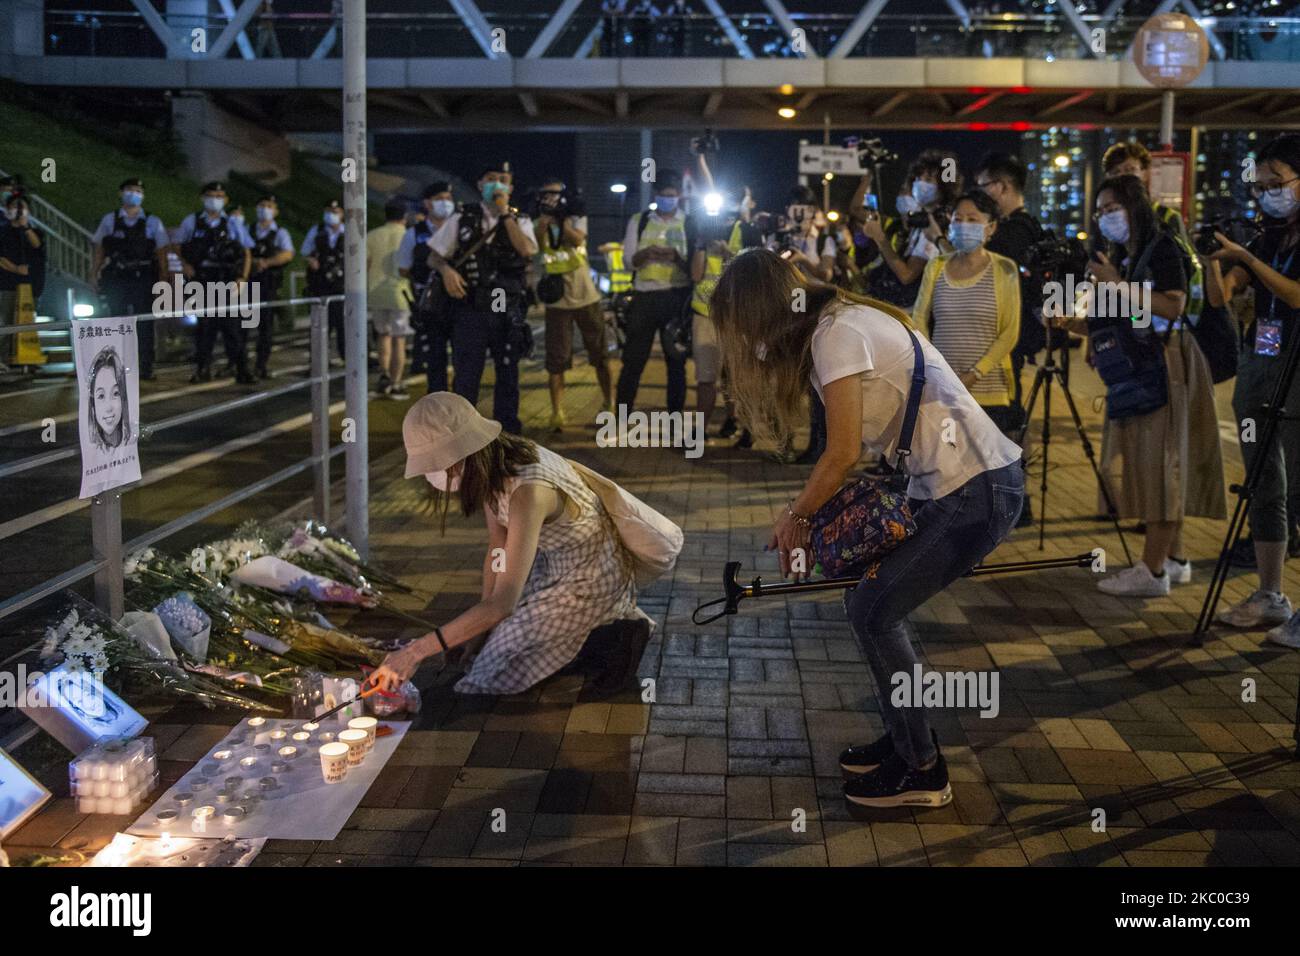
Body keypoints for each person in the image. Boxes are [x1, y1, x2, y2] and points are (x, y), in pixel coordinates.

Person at [710, 249, 1023, 807]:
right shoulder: (837, 324)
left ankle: (922, 769)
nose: (739, 343)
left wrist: (797, 516)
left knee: (874, 610)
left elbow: (843, 452)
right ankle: (907, 740)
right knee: (870, 605)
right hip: (958, 483)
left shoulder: (837, 334)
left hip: (976, 487)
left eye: (738, 326)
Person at [365, 392, 653, 696]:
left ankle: (615, 634)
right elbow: (498, 546)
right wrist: (481, 623)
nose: (432, 475)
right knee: (488, 645)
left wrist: (416, 651)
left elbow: (504, 603)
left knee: (489, 675)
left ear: (460, 456)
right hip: (558, 566)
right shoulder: (493, 466)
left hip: (592, 579)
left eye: (436, 465)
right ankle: (584, 637)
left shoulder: (527, 492)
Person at [1049, 175, 1225, 596]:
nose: (1105, 217)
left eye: (1113, 208)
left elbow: (1172, 304)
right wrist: (1068, 322)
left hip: (1167, 367)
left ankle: (1152, 571)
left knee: (1161, 464)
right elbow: (1119, 319)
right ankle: (1171, 560)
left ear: (1135, 206)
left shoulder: (1162, 247)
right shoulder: (1125, 257)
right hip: (1143, 366)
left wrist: (1113, 282)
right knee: (1152, 465)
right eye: (1101, 210)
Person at [1207, 133, 1300, 645]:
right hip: (1259, 362)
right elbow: (1222, 297)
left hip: (1296, 366)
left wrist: (1248, 255)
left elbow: (1294, 294)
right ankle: (1270, 595)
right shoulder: (1268, 238)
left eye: (1277, 184)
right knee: (1264, 484)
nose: (1267, 194)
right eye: (1260, 186)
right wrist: (1213, 258)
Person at [429, 165, 537, 435]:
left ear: (511, 188)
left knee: (507, 370)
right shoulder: (463, 217)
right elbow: (434, 255)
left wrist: (504, 215)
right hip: (470, 304)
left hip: (506, 302)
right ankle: (463, 433)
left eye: (503, 181)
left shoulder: (520, 219)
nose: (497, 185)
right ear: (479, 185)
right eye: (490, 180)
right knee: (466, 372)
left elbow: (526, 250)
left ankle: (508, 431)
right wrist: (446, 271)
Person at [911, 191, 1021, 433]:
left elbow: (1009, 332)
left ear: (990, 227)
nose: (963, 225)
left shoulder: (1004, 268)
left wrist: (974, 374)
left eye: (972, 219)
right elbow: (919, 319)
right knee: (945, 465)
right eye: (957, 219)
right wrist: (935, 369)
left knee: (986, 466)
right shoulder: (936, 265)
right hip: (942, 387)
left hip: (990, 390)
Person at [616, 170, 695, 416]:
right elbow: (628, 261)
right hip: (644, 298)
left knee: (676, 362)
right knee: (633, 361)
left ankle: (675, 418)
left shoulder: (689, 223)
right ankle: (621, 415)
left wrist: (675, 257)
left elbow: (695, 266)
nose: (666, 199)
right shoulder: (639, 220)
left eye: (671, 195)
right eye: (662, 195)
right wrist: (646, 253)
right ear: (655, 194)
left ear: (679, 196)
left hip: (676, 298)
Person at [535, 177, 611, 432]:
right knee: (556, 360)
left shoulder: (576, 217)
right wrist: (545, 224)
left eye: (555, 194)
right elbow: (535, 245)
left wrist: (560, 221)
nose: (551, 198)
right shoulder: (538, 222)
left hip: (586, 296)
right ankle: (557, 412)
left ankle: (609, 402)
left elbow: (578, 239)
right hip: (557, 301)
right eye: (546, 194)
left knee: (599, 354)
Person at [861, 149, 961, 310]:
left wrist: (879, 237)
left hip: (913, 314)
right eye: (917, 178)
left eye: (928, 179)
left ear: (944, 186)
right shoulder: (921, 221)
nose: (919, 183)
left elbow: (907, 276)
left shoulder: (935, 224)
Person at [91, 178, 169, 381]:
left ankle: (145, 366)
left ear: (142, 195)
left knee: (144, 323)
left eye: (137, 191)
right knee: (116, 320)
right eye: (129, 190)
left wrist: (163, 277)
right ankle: (115, 365)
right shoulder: (110, 219)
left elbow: (161, 251)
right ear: (121, 193)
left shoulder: (152, 221)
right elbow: (100, 248)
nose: (133, 194)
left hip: (143, 277)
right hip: (117, 277)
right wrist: (94, 273)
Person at [176, 181, 252, 383]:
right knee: (204, 328)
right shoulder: (192, 221)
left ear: (226, 200)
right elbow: (177, 245)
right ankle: (202, 369)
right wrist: (185, 265)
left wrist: (242, 277)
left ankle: (242, 369)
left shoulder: (233, 224)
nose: (215, 200)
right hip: (202, 280)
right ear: (203, 198)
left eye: (220, 196)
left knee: (232, 328)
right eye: (211, 195)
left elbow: (246, 252)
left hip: (227, 280)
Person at [401, 182, 456, 390]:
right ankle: (437, 403)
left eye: (448, 199)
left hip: (460, 301)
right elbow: (403, 268)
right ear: (427, 203)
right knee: (435, 357)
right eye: (440, 199)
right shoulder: (414, 234)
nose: (445, 203)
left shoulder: (462, 229)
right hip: (431, 304)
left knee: (464, 357)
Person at [367, 199, 414, 400]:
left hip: (375, 293)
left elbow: (365, 264)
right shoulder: (407, 236)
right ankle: (396, 382)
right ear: (404, 216)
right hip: (400, 294)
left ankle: (383, 374)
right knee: (399, 340)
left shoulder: (371, 236)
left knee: (382, 335)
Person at [243, 194, 294, 379]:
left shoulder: (280, 233)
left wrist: (267, 262)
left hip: (268, 284)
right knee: (245, 325)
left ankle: (260, 364)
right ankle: (241, 364)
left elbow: (288, 254)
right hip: (248, 284)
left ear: (276, 211)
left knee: (265, 327)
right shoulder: (248, 229)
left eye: (269, 206)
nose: (265, 209)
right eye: (262, 205)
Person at [302, 199, 347, 365]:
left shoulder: (349, 231)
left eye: (335, 212)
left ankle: (347, 358)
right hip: (320, 285)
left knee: (343, 325)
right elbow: (306, 252)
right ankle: (318, 361)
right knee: (319, 326)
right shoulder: (317, 230)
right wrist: (311, 260)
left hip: (341, 286)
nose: (332, 215)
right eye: (329, 211)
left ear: (342, 213)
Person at [87, 346, 130, 451]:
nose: (108, 407)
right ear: (93, 403)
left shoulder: (129, 442)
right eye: (101, 396)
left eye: (116, 393)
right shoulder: (91, 448)